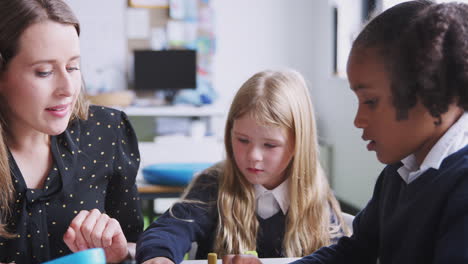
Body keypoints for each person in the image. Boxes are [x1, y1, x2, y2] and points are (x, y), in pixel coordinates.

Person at [223, 1, 468, 264]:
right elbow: (352, 253)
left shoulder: (461, 186)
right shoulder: (399, 174)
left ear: (431, 93)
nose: (358, 120)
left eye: (370, 101)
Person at [136, 70, 349, 264]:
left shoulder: (316, 197)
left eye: (270, 145)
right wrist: (159, 256)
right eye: (243, 140)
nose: (253, 156)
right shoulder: (213, 184)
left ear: (298, 144)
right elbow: (169, 229)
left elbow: (340, 256)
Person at [0, 0, 143, 263]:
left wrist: (120, 253)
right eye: (44, 72)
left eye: (73, 67)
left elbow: (137, 245)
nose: (68, 88)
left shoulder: (106, 131)